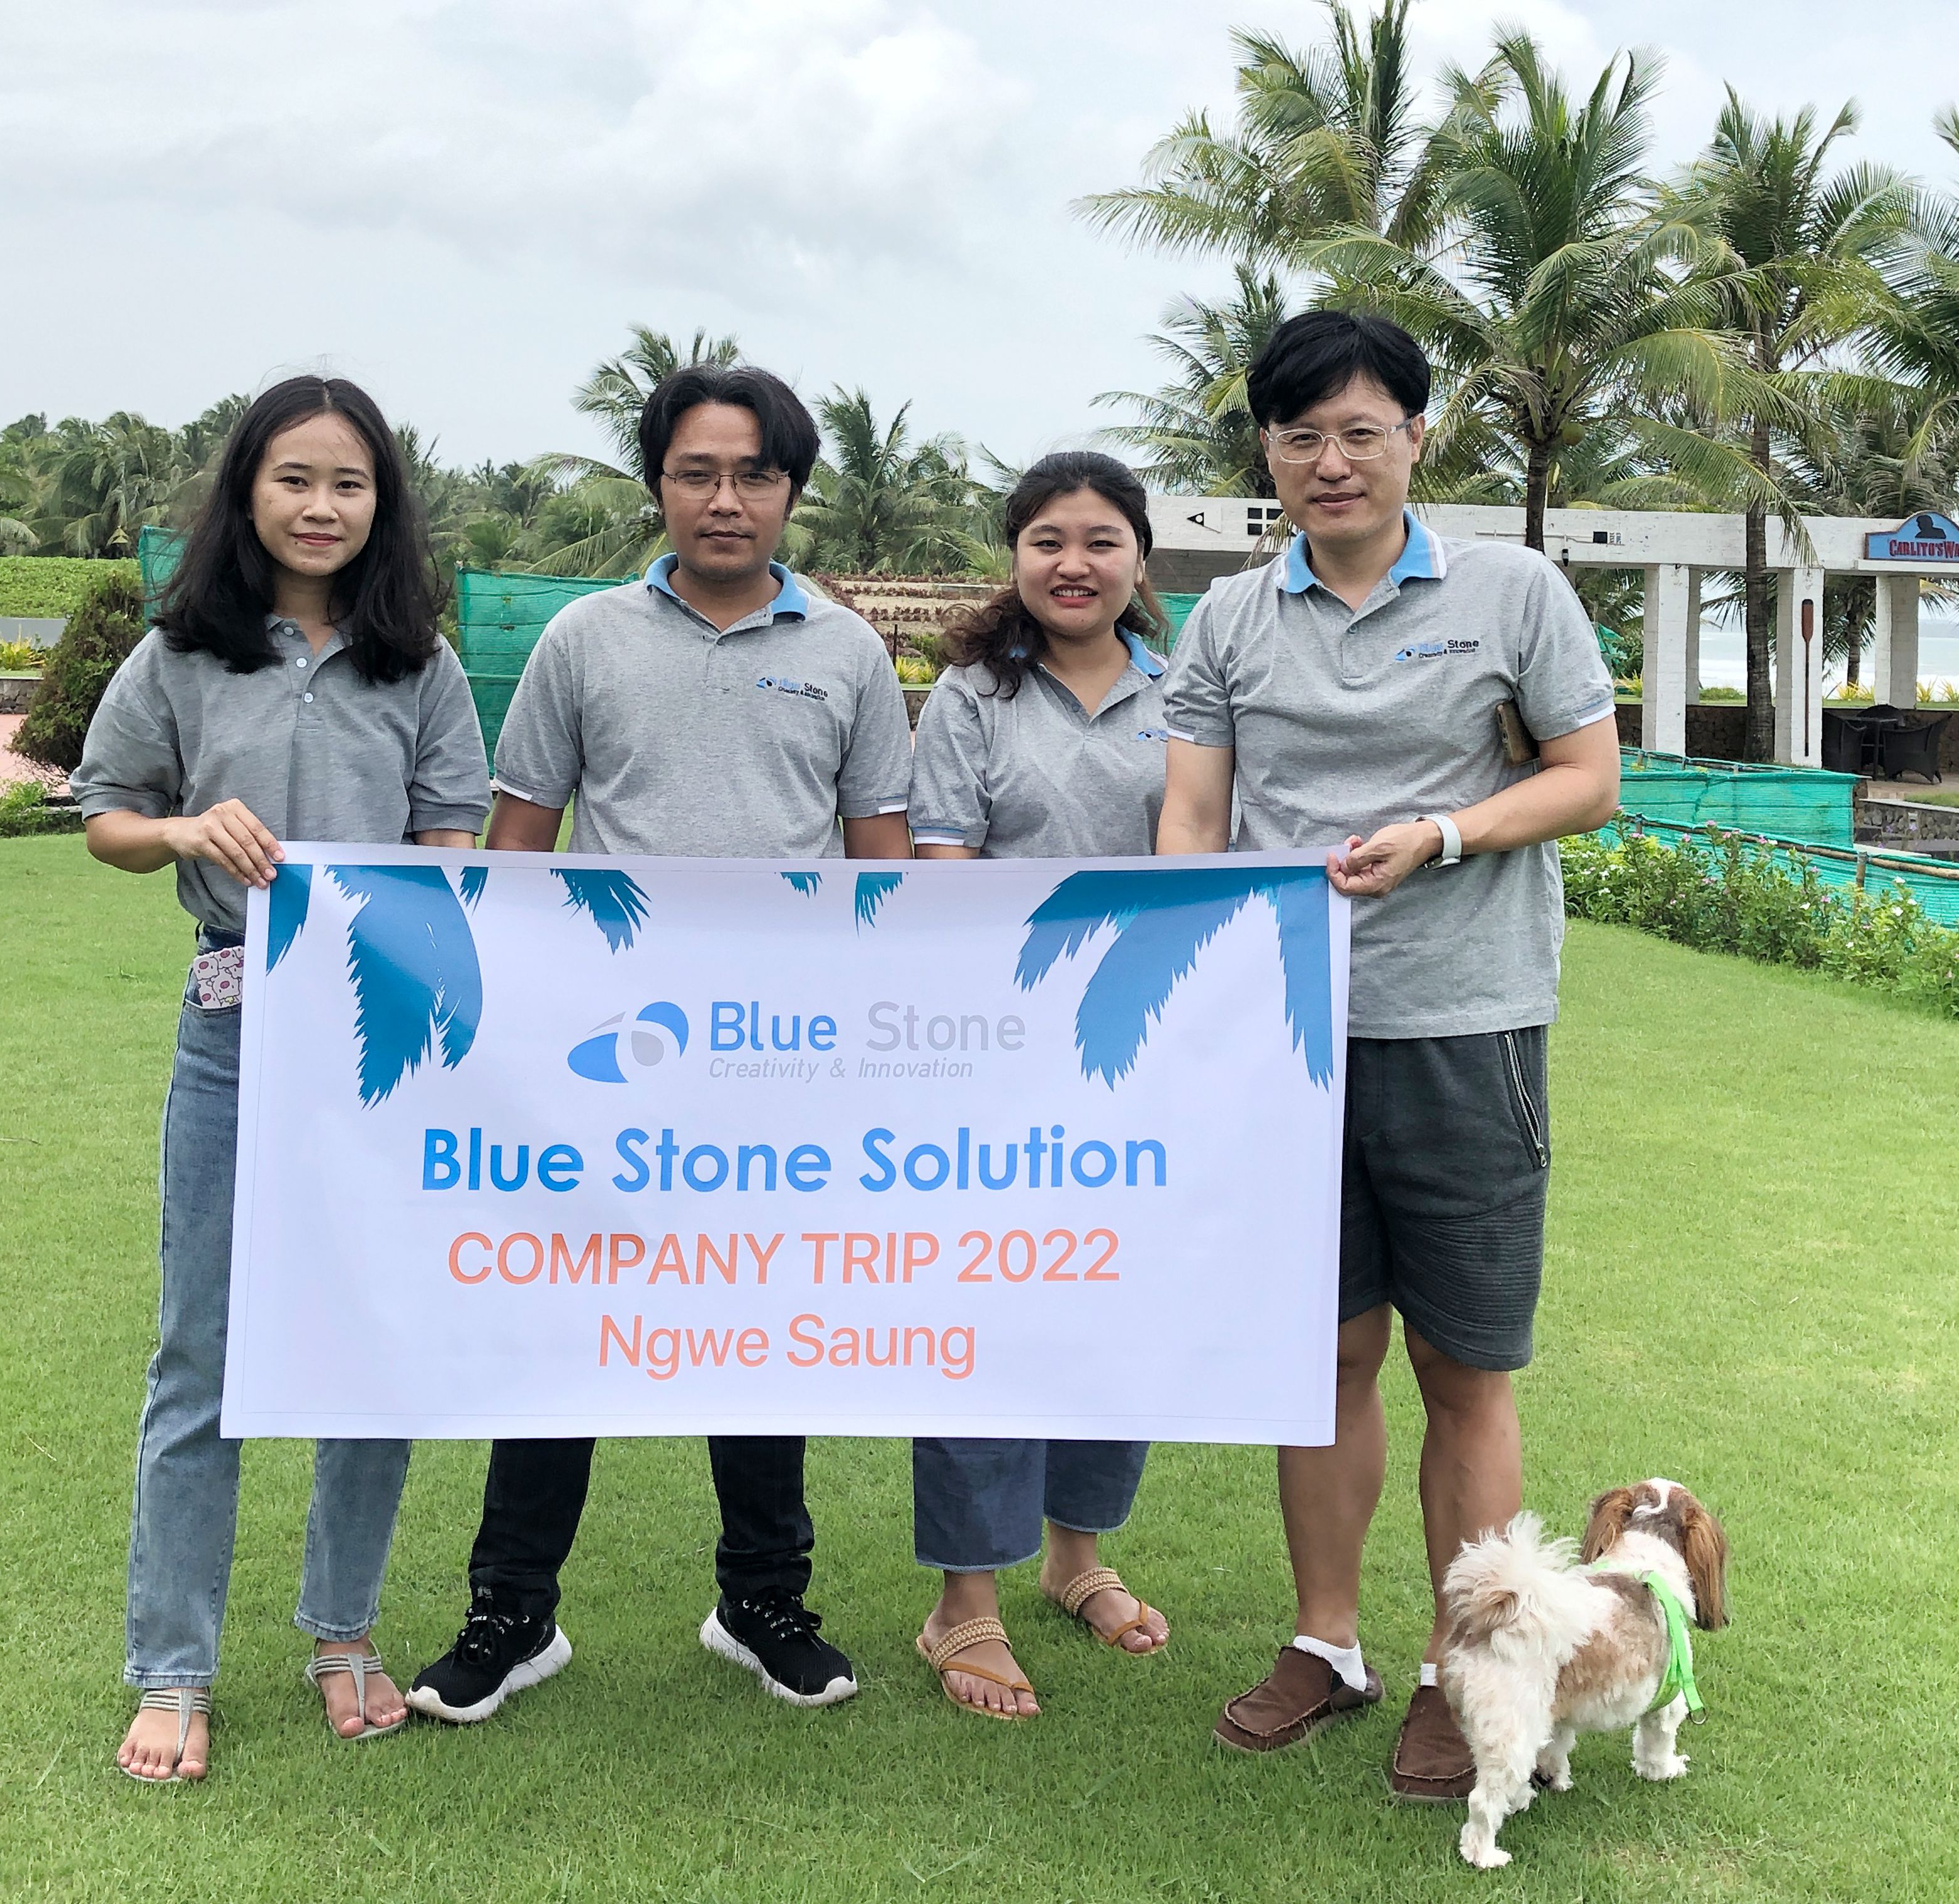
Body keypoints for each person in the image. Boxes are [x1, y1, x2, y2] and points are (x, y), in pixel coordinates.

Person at [1155, 310, 1620, 1799]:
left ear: (1418, 436)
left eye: (1362, 431)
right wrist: (1202, 982)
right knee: (1323, 1355)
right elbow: (1192, 818)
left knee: (1460, 1364)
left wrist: (1446, 833)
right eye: (1301, 437)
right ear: (1268, 454)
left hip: (1465, 1025)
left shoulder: (1512, 590)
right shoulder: (1229, 619)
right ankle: (1329, 1643)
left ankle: (1459, 1665)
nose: (1332, 461)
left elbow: (1588, 779)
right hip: (1289, 1042)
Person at [406, 363, 913, 1725]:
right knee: (562, 1327)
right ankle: (513, 1614)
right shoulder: (582, 640)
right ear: (658, 487)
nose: (725, 499)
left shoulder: (849, 653)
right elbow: (519, 853)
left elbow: (884, 873)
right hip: (601, 1058)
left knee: (759, 1332)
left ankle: (763, 1604)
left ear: (792, 491)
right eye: (698, 472)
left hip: (777, 1063)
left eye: (754, 474)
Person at [74, 375, 491, 1782]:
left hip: (382, 1045)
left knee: (370, 1336)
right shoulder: (181, 653)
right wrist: (187, 827)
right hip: (233, 1028)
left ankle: (343, 1631)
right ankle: (172, 1666)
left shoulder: (420, 664)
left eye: (349, 483)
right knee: (203, 1350)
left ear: (384, 504)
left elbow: (452, 841)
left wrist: (404, 900)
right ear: (248, 491)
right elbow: (107, 818)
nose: (322, 506)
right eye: (295, 479)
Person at [901, 450, 1175, 1720]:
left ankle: (1078, 1558)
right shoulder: (970, 697)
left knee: (1111, 1301)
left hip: (1148, 1053)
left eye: (1102, 541)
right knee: (984, 1310)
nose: (1075, 564)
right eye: (1048, 540)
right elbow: (944, 875)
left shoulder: (1187, 692)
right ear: (1014, 556)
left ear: (1139, 559)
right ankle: (964, 1602)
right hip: (996, 1059)